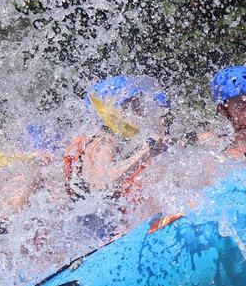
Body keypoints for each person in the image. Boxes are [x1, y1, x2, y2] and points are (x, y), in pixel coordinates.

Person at [61, 74, 175, 240]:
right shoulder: (104, 142)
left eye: (138, 102)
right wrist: (145, 152)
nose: (140, 111)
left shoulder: (99, 140)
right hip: (101, 234)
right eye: (133, 104)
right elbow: (102, 184)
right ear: (114, 112)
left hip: (95, 229)